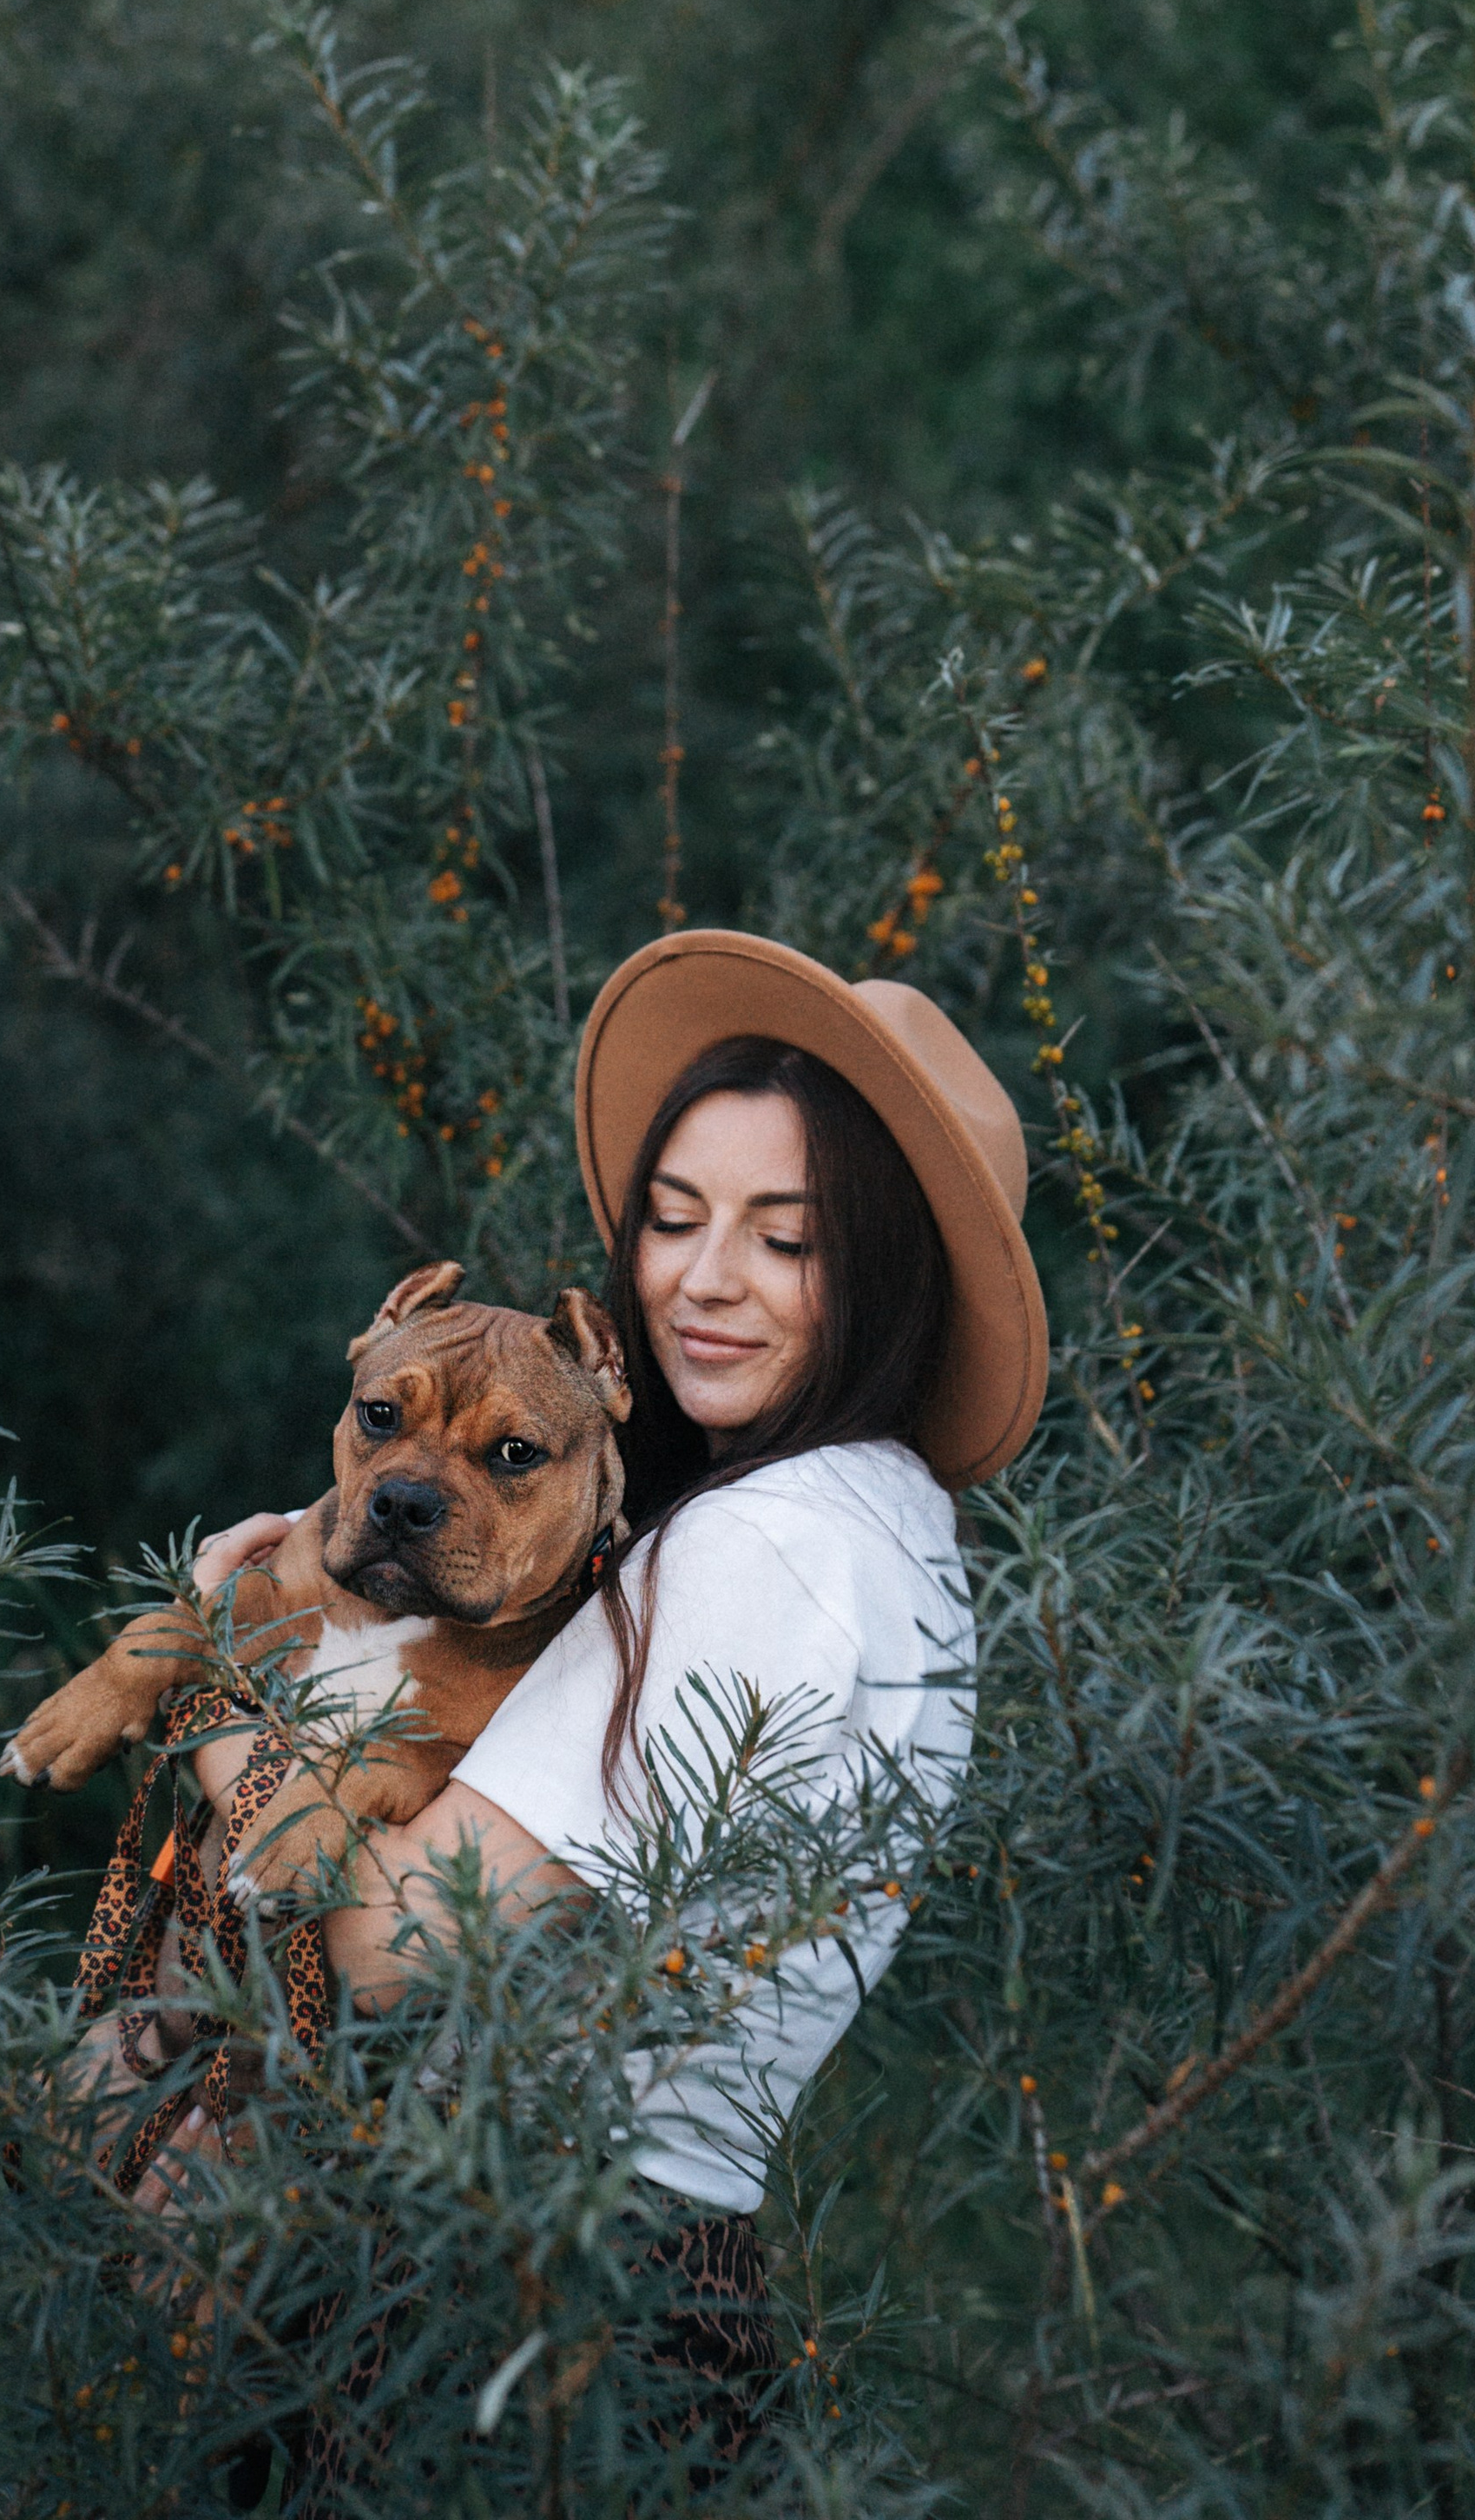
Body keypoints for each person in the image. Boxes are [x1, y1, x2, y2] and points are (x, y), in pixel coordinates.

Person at [186, 928, 1049, 2478]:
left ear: (892, 1269)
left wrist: (215, 1679)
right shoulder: (891, 1525)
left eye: (788, 1241)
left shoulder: (762, 1547)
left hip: (521, 2287)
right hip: (655, 2274)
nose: (700, 1282)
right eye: (671, 1217)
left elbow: (387, 1952)